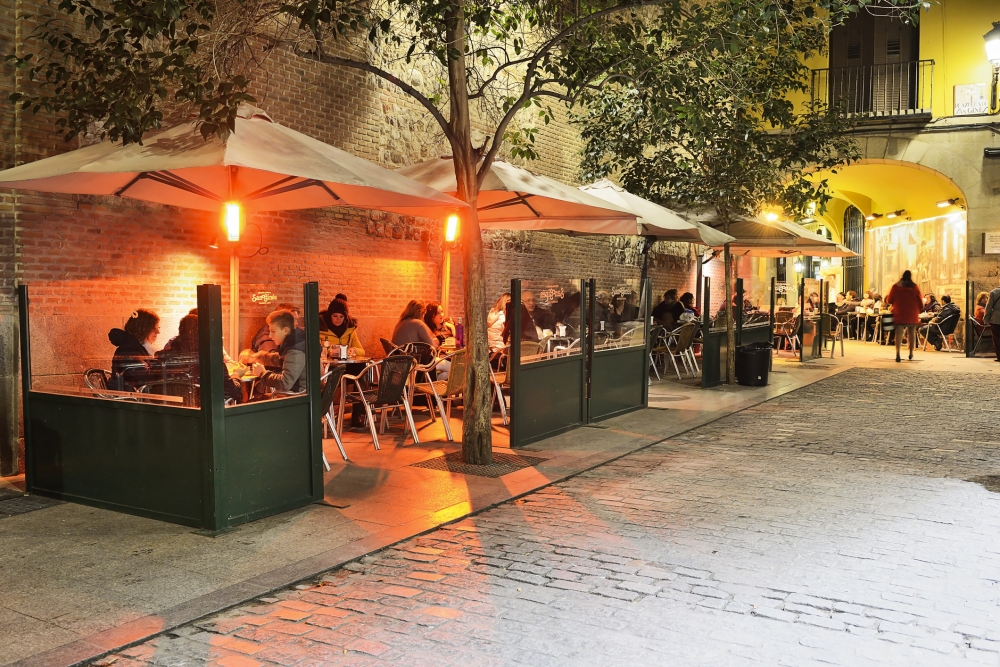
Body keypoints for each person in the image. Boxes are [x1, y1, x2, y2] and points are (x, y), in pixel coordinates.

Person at [158, 312, 244, 404]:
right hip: (203, 410)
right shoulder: (211, 358)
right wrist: (236, 375)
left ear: (180, 330)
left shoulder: (163, 357)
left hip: (173, 410)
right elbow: (232, 392)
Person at [252, 310, 307, 393]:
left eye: (273, 331)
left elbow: (285, 383)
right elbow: (285, 360)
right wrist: (261, 357)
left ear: (285, 330)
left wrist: (262, 374)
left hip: (298, 397)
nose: (270, 336)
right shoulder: (296, 343)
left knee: (252, 403)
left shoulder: (295, 350)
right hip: (304, 393)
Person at [108, 308, 160, 391]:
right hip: (132, 399)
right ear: (143, 329)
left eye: (158, 328)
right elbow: (143, 377)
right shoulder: (128, 349)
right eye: (154, 328)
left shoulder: (136, 346)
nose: (158, 332)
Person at [885, 270, 923, 362]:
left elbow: (890, 300)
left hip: (900, 311)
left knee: (898, 333)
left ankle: (898, 353)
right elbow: (919, 300)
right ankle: (911, 353)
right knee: (912, 333)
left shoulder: (895, 287)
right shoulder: (915, 287)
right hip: (912, 312)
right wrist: (920, 308)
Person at [983, 284, 1000, 362]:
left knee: (997, 338)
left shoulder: (994, 292)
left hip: (996, 319)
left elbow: (988, 307)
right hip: (995, 319)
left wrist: (986, 318)